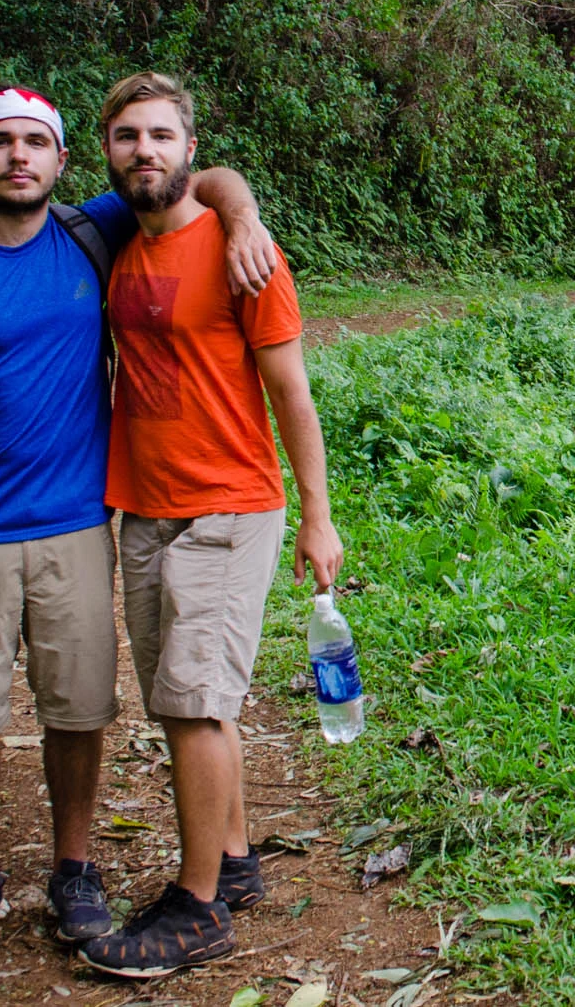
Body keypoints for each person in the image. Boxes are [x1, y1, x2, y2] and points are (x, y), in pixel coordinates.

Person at [0, 85, 275, 953]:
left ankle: (75, 865)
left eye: (35, 144)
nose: (18, 157)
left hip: (74, 523)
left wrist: (244, 218)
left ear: (60, 161)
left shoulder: (94, 232)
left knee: (78, 710)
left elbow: (199, 176)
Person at [75, 72, 343, 980]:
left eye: (161, 135)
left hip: (230, 505)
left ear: (190, 147)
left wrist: (318, 515)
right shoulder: (114, 237)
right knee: (180, 698)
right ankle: (231, 863)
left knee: (195, 702)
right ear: (106, 151)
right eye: (126, 136)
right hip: (145, 505)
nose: (143, 150)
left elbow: (291, 391)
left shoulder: (244, 255)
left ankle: (196, 912)